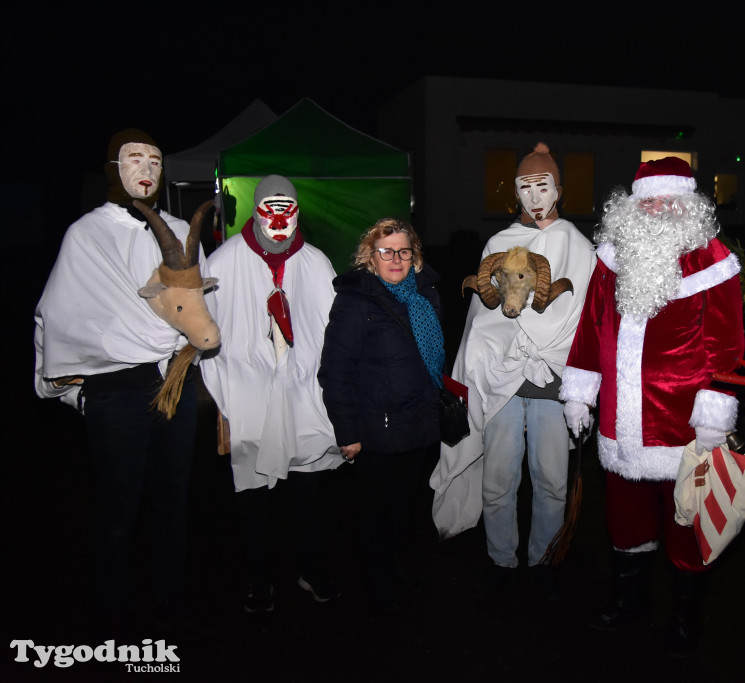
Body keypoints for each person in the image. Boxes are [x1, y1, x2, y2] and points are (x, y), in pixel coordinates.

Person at [559, 157, 744, 655]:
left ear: (688, 204)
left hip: (683, 424)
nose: (657, 208)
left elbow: (727, 345)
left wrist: (714, 412)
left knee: (685, 521)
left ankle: (685, 616)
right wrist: (579, 392)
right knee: (626, 517)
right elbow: (590, 328)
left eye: (667, 199)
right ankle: (629, 603)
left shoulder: (713, 261)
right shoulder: (612, 258)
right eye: (648, 200)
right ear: (631, 206)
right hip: (622, 420)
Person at [33, 129, 213, 630]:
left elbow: (201, 307)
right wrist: (82, 381)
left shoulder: (177, 229)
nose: (148, 168)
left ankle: (170, 596)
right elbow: (63, 312)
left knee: (173, 498)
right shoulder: (88, 233)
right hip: (116, 389)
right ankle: (114, 607)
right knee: (118, 503)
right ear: (114, 168)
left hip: (174, 381)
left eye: (156, 160)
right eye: (135, 158)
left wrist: (186, 355)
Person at [430, 143, 596, 597]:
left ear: (558, 188)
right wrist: (477, 365)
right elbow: (482, 320)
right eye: (526, 187)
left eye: (543, 186)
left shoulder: (578, 248)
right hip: (501, 380)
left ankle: (544, 558)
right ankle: (500, 557)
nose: (535, 195)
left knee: (551, 478)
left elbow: (582, 317)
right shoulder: (498, 244)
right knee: (499, 476)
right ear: (516, 194)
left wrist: (579, 382)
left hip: (551, 381)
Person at [201, 175, 344, 613]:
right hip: (249, 394)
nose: (279, 218)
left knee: (308, 490)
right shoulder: (224, 263)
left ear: (298, 210)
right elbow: (204, 328)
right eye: (270, 207)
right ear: (255, 209)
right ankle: (259, 580)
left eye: (287, 207)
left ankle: (311, 569)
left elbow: (333, 329)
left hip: (303, 393)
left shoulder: (316, 264)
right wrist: (224, 392)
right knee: (253, 493)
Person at [318, 218, 444, 612]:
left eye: (404, 251)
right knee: (375, 511)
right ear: (370, 257)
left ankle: (394, 567)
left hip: (419, 425)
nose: (396, 259)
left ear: (415, 256)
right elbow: (335, 371)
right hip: (377, 430)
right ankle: (376, 582)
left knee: (405, 508)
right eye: (386, 251)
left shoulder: (426, 295)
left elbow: (434, 361)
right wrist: (348, 432)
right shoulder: (356, 300)